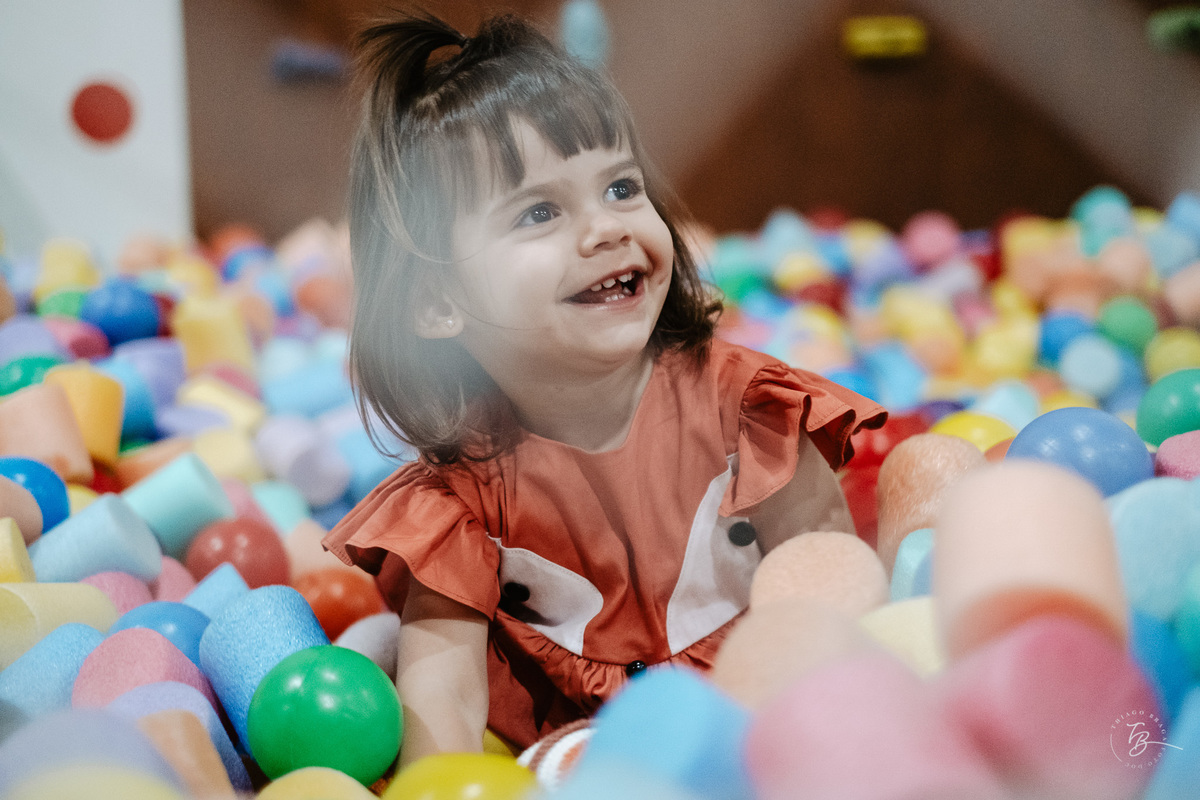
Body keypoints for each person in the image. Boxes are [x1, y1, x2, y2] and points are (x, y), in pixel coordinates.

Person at [323, 10, 887, 765]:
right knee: (383, 648)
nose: (606, 229)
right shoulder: (454, 505)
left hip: (764, 721)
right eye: (541, 211)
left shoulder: (746, 410)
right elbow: (445, 705)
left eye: (621, 187)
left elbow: (825, 575)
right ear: (436, 302)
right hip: (576, 759)